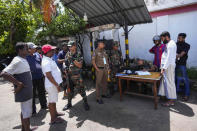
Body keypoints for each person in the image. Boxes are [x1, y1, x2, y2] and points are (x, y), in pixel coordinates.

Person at [0, 42, 37, 131]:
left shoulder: (22, 59)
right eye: (26, 48)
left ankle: (25, 129)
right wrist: (18, 83)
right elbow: (4, 73)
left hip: (27, 92)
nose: (28, 50)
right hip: (24, 92)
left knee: (25, 112)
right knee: (26, 113)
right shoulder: (17, 60)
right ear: (20, 50)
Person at [62, 41, 90, 111]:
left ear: (75, 46)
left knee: (81, 90)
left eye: (71, 46)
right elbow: (65, 62)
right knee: (69, 91)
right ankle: (69, 103)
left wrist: (72, 59)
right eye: (69, 46)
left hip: (77, 76)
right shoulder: (67, 53)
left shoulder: (79, 54)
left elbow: (80, 65)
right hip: (69, 76)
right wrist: (64, 67)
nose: (69, 47)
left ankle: (85, 102)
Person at [41, 44, 65, 124]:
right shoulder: (46, 61)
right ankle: (53, 119)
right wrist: (57, 85)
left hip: (53, 84)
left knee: (53, 100)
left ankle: (55, 113)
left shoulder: (49, 59)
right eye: (52, 50)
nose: (54, 51)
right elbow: (49, 75)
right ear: (48, 51)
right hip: (52, 85)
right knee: (51, 101)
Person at [26, 42, 47, 115]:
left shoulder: (38, 55)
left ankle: (44, 105)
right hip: (31, 79)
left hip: (40, 77)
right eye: (33, 48)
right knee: (32, 95)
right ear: (28, 49)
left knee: (42, 92)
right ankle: (33, 110)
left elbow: (42, 63)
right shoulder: (25, 57)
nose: (35, 49)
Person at [159, 31, 177, 106]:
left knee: (170, 82)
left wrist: (163, 68)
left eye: (162, 38)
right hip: (166, 66)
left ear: (167, 37)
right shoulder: (168, 44)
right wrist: (162, 67)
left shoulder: (171, 45)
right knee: (164, 81)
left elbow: (169, 58)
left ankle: (171, 100)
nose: (162, 40)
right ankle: (163, 96)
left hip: (168, 66)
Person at [176, 33, 190, 101]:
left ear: (184, 38)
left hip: (182, 65)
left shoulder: (187, 45)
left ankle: (186, 94)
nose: (178, 39)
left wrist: (176, 55)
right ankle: (175, 92)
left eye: (180, 38)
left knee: (185, 79)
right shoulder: (175, 44)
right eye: (178, 37)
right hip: (175, 64)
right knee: (175, 79)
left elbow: (181, 54)